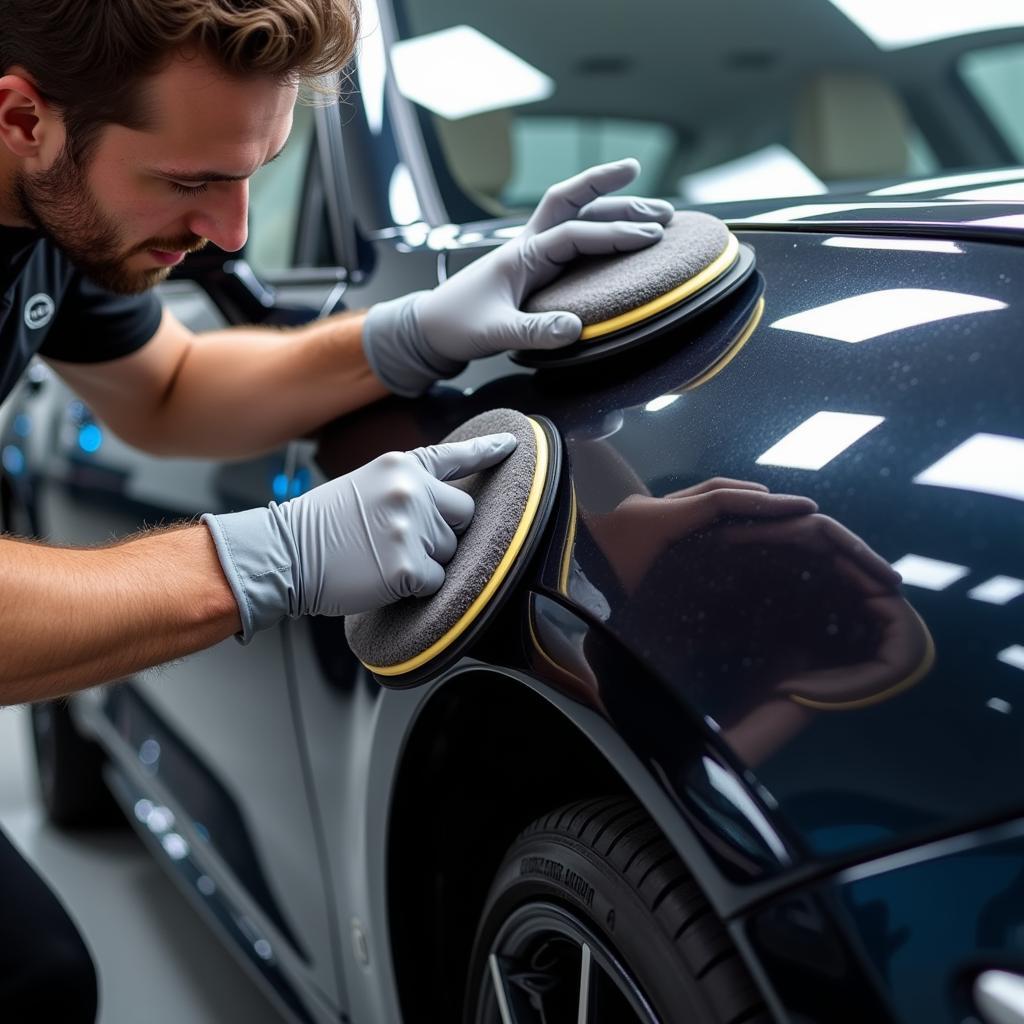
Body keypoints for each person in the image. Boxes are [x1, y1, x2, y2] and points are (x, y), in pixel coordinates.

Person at [0, 0, 673, 1016]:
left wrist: (404, 336)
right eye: (188, 181)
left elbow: (169, 387)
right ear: (22, 119)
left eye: (249, 176)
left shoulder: (58, 207)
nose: (225, 233)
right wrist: (267, 560)